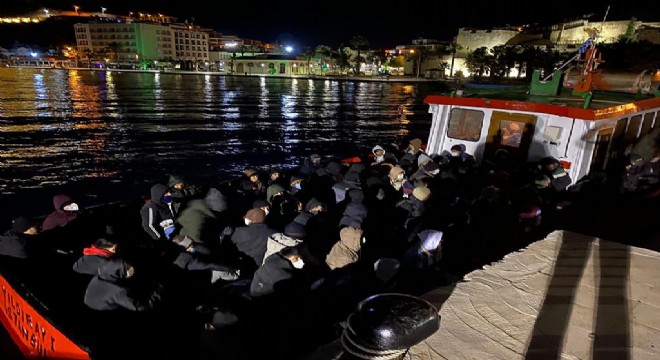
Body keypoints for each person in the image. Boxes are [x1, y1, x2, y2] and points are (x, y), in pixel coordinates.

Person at [84, 258, 162, 311]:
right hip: (103, 308)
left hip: (92, 299)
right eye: (127, 270)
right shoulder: (120, 292)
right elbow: (139, 307)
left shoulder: (102, 273)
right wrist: (157, 293)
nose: (130, 270)